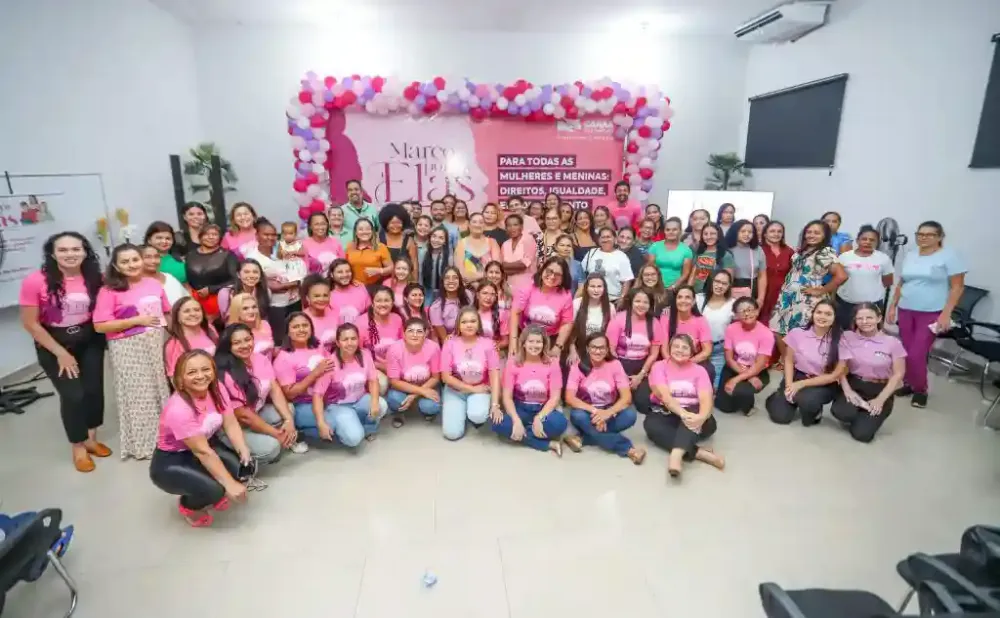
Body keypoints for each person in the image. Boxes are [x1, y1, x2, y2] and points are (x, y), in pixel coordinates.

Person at [19, 232, 108, 472]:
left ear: (85, 251)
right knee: (73, 395)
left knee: (93, 391)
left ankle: (91, 438)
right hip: (53, 343)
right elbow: (30, 323)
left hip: (89, 340)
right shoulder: (36, 281)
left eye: (76, 249)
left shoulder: (94, 278)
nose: (70, 254)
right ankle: (78, 446)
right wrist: (60, 352)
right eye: (63, 250)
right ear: (52, 253)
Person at [149, 350, 249, 527]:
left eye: (205, 369)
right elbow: (202, 451)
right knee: (216, 488)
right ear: (180, 379)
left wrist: (243, 449)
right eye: (192, 372)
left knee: (237, 467)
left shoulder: (217, 388)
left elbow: (230, 422)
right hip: (172, 461)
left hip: (204, 446)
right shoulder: (179, 409)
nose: (201, 376)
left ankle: (210, 489)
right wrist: (229, 484)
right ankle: (189, 507)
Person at [93, 243, 172, 460]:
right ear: (116, 266)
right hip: (127, 347)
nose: (131, 265)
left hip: (155, 344)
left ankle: (166, 440)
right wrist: (136, 320)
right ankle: (145, 445)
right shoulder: (108, 290)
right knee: (139, 396)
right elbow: (100, 325)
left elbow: (167, 312)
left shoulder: (153, 284)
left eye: (135, 260)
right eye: (125, 262)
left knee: (158, 390)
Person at [887, 221, 966, 409]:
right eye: (920, 234)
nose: (923, 237)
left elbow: (957, 287)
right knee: (905, 351)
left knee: (917, 353)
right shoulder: (912, 255)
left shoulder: (949, 256)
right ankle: (908, 384)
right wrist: (892, 306)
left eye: (929, 234)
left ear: (939, 237)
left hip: (931, 312)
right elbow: (901, 283)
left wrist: (946, 314)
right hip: (906, 309)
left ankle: (921, 389)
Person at [215, 324, 305, 463]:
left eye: (247, 339)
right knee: (272, 449)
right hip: (233, 426)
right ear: (228, 347)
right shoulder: (225, 373)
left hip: (256, 414)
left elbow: (275, 390)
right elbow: (244, 416)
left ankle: (265, 437)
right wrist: (276, 434)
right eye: (237, 343)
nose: (244, 345)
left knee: (289, 410)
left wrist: (289, 421)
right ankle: (229, 449)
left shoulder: (260, 359)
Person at [646, 334, 724, 478]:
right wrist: (683, 414)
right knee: (651, 426)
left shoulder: (700, 371)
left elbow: (706, 400)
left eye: (684, 347)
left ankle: (675, 456)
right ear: (669, 349)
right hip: (667, 412)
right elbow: (665, 397)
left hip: (694, 412)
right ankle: (699, 453)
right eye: (676, 346)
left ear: (692, 351)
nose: (680, 350)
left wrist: (701, 417)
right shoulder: (659, 366)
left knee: (703, 423)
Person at [832, 303, 907, 442]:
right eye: (860, 318)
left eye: (869, 317)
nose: (865, 322)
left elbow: (898, 374)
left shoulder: (892, 343)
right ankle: (860, 410)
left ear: (879, 318)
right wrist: (848, 391)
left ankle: (866, 416)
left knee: (861, 435)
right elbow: (841, 366)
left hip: (880, 388)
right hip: (855, 383)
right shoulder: (847, 337)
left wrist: (880, 399)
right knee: (840, 412)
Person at [566, 333, 644, 463]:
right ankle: (628, 449)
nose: (598, 351)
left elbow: (626, 397)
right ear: (587, 348)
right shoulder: (578, 367)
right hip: (587, 412)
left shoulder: (615, 365)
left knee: (630, 415)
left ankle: (583, 438)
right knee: (577, 416)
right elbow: (569, 398)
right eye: (594, 347)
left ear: (607, 349)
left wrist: (608, 412)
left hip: (609, 410)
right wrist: (596, 412)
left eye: (602, 348)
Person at [766, 299, 846, 426]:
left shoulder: (842, 340)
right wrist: (788, 385)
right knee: (780, 417)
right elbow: (789, 360)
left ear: (835, 317)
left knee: (807, 406)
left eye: (828, 314)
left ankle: (813, 409)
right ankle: (777, 396)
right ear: (813, 314)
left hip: (823, 383)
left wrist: (801, 384)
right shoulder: (797, 333)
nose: (822, 317)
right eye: (819, 312)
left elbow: (835, 375)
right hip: (797, 376)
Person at [491, 325, 566, 455]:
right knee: (496, 422)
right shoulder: (512, 363)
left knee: (560, 423)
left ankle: (523, 433)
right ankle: (545, 444)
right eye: (531, 341)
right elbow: (507, 397)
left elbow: (555, 397)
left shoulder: (552, 363)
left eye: (538, 342)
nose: (535, 345)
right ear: (524, 344)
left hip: (543, 409)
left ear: (544, 344)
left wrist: (539, 417)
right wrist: (516, 420)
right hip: (521, 408)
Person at [769, 220, 847, 345]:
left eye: (817, 233)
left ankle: (798, 363)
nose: (811, 235)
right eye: (809, 232)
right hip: (788, 296)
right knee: (777, 329)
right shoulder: (802, 250)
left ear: (824, 235)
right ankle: (785, 360)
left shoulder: (825, 252)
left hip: (806, 298)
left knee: (801, 332)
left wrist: (822, 290)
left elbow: (841, 276)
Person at [311, 324, 388, 446]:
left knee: (381, 404)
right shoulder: (330, 363)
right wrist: (320, 423)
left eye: (353, 338)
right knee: (354, 439)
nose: (350, 343)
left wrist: (374, 402)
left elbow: (373, 380)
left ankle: (368, 428)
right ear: (337, 342)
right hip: (338, 406)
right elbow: (317, 395)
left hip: (360, 400)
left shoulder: (365, 355)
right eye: (345, 339)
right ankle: (343, 425)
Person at [440, 307, 502, 440]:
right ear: (458, 325)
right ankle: (459, 410)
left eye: (473, 321)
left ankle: (472, 412)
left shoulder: (488, 344)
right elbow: (445, 377)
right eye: (464, 322)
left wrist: (495, 405)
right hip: (455, 390)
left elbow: (494, 376)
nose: (469, 325)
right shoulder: (449, 344)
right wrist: (472, 389)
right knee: (451, 434)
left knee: (478, 416)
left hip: (481, 389)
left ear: (479, 324)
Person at [275, 312, 335, 436]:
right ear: (288, 332)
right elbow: (290, 394)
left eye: (305, 325)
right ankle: (303, 432)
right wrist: (316, 373)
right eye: (296, 327)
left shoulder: (318, 345)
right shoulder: (283, 358)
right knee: (334, 422)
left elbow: (331, 367)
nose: (301, 329)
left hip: (327, 398)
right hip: (303, 404)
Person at [606, 289, 663, 414]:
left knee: (644, 404)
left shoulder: (655, 323)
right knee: (609, 400)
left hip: (642, 366)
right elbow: (610, 350)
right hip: (619, 364)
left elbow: (654, 354)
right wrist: (621, 375)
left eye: (645, 302)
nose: (641, 305)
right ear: (631, 302)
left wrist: (640, 375)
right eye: (637, 301)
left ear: (650, 305)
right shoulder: (619, 319)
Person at [715, 297, 773, 416]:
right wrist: (747, 376)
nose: (747, 314)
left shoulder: (766, 334)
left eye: (750, 310)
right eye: (742, 311)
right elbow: (729, 358)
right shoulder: (731, 329)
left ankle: (748, 404)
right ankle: (740, 393)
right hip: (735, 366)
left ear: (757, 311)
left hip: (757, 371)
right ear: (736, 315)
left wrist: (736, 379)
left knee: (739, 390)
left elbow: (760, 364)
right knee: (724, 406)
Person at [244, 219, 300, 336]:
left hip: (295, 301)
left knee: (296, 334)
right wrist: (293, 283)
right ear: (257, 236)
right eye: (266, 234)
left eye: (273, 234)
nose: (270, 237)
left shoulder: (282, 251)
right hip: (275, 305)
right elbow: (266, 284)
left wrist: (289, 283)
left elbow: (299, 270)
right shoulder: (253, 257)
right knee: (279, 337)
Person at [509, 256, 575, 357]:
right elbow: (515, 312)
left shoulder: (566, 295)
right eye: (550, 271)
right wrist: (513, 342)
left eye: (557, 274)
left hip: (549, 339)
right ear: (543, 269)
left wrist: (558, 347)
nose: (552, 276)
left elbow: (567, 322)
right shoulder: (528, 286)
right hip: (525, 336)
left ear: (563, 279)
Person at [835, 225, 894, 329]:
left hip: (872, 305)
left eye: (872, 240)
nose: (867, 242)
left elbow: (888, 281)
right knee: (845, 333)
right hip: (846, 304)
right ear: (857, 240)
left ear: (877, 242)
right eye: (864, 239)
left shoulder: (883, 258)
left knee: (868, 333)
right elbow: (837, 279)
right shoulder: (844, 257)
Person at [385, 317, 442, 424]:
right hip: (403, 386)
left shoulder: (433, 348)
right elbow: (394, 381)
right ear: (404, 333)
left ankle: (425, 410)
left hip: (427, 384)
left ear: (426, 334)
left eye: (419, 331)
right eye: (410, 331)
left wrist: (414, 395)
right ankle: (399, 413)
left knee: (431, 407)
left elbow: (436, 377)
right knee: (394, 399)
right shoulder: (394, 349)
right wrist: (421, 391)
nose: (414, 335)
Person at [659, 286, 715, 384]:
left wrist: (688, 363)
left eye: (687, 297)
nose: (683, 300)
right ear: (675, 301)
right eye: (680, 297)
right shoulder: (666, 318)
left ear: (693, 301)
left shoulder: (700, 320)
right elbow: (664, 349)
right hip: (671, 360)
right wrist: (673, 364)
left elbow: (707, 350)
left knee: (709, 370)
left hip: (693, 359)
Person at [185, 224, 239, 324]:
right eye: (206, 234)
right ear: (200, 237)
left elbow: (236, 280)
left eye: (214, 234)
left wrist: (211, 289)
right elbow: (187, 278)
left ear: (220, 237)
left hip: (220, 301)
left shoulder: (228, 255)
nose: (210, 237)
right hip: (194, 302)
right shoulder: (190, 255)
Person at [356, 285, 403, 396]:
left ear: (392, 303)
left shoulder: (397, 319)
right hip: (373, 366)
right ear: (372, 303)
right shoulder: (361, 323)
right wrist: (383, 367)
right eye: (379, 300)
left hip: (395, 365)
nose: (383, 304)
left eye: (387, 300)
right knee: (382, 384)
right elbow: (358, 355)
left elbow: (402, 346)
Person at [697, 271, 735, 389]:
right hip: (697, 347)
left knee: (714, 384)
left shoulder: (732, 304)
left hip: (719, 348)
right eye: (717, 281)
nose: (720, 286)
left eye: (724, 283)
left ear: (729, 286)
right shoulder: (698, 299)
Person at [164, 297, 218, 379]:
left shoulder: (210, 329)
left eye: (197, 310)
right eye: (186, 311)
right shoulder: (173, 345)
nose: (193, 314)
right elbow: (175, 379)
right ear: (177, 317)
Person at [581, 227, 634, 303]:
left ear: (615, 239)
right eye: (603, 237)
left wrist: (622, 298)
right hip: (591, 299)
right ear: (599, 240)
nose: (606, 240)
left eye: (608, 237)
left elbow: (627, 280)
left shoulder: (621, 256)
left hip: (612, 299)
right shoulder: (591, 253)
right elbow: (582, 274)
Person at [570, 274, 615, 361]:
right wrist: (572, 350)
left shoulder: (610, 307)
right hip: (579, 349)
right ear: (586, 288)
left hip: (599, 351)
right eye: (592, 286)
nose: (596, 290)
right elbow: (570, 330)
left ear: (604, 288)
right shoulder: (577, 304)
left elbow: (611, 334)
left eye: (599, 286)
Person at [759, 221, 793, 328]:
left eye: (779, 231)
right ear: (765, 234)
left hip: (782, 295)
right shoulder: (759, 250)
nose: (776, 234)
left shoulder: (789, 251)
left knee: (777, 326)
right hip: (762, 293)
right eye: (772, 231)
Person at [725, 219, 768, 305]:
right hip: (729, 288)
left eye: (750, 232)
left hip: (752, 288)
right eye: (743, 231)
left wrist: (760, 299)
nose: (747, 234)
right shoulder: (726, 249)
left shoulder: (757, 250)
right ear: (735, 232)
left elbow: (762, 276)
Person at [646, 216, 693, 289]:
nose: (671, 232)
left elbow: (685, 274)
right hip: (654, 287)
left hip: (674, 289)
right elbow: (650, 268)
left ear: (680, 231)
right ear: (664, 231)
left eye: (674, 230)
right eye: (668, 230)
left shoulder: (686, 250)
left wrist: (673, 287)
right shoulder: (655, 246)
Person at [454, 213, 500, 285]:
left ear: (484, 225)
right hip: (468, 288)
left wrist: (474, 278)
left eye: (481, 222)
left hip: (490, 288)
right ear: (469, 225)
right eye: (474, 222)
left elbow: (496, 270)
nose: (477, 225)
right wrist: (476, 283)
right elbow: (460, 272)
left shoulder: (492, 242)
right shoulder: (461, 243)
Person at [688, 223, 734, 294]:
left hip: (715, 295)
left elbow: (729, 280)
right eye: (705, 234)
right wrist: (688, 290)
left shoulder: (726, 255)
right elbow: (693, 275)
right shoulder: (699, 252)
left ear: (718, 235)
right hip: (696, 293)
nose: (708, 237)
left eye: (712, 234)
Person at [430, 266, 472, 343]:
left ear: (460, 282)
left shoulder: (468, 295)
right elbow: (444, 339)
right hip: (452, 344)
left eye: (455, 278)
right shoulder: (436, 307)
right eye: (447, 278)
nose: (451, 281)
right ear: (443, 283)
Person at [346, 218, 392, 289]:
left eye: (368, 229)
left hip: (374, 287)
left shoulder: (380, 247)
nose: (365, 232)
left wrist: (380, 271)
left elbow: (391, 268)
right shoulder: (350, 246)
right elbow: (345, 266)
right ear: (356, 232)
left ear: (372, 231)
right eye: (361, 229)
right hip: (353, 286)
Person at [301, 274, 340, 350]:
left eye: (325, 295)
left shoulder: (336, 313)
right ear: (308, 298)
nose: (322, 299)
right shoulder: (301, 319)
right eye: (317, 296)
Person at [227, 292, 274, 356]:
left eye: (254, 307)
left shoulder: (265, 324)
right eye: (245, 308)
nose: (251, 311)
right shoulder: (232, 332)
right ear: (237, 311)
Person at [500, 214, 537, 294]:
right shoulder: (505, 244)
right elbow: (502, 268)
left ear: (521, 227)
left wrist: (507, 266)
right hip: (509, 287)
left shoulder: (528, 240)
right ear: (505, 228)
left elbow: (524, 265)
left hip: (527, 286)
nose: (512, 228)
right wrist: (509, 267)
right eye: (509, 225)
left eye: (515, 225)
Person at [328, 258, 372, 326]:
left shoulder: (360, 287)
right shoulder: (327, 293)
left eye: (348, 271)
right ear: (331, 274)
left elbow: (369, 312)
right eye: (340, 272)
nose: (345, 275)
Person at [475, 282, 510, 353]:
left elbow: (505, 341)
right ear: (478, 295)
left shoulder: (501, 314)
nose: (488, 297)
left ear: (496, 297)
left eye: (492, 294)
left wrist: (494, 347)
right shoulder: (469, 313)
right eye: (485, 293)